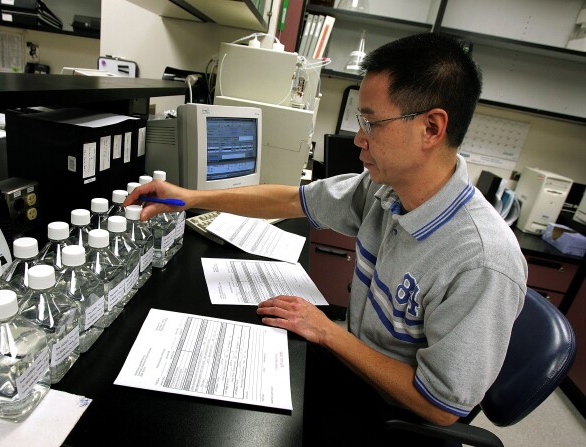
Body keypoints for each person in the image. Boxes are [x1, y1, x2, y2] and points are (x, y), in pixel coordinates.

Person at [124, 32, 528, 445]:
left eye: (372, 122)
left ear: (431, 127)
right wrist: (190, 197)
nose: (358, 138)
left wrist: (328, 332)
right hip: (355, 367)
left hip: (391, 415)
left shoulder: (481, 260)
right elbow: (291, 199)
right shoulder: (385, 190)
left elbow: (441, 407)